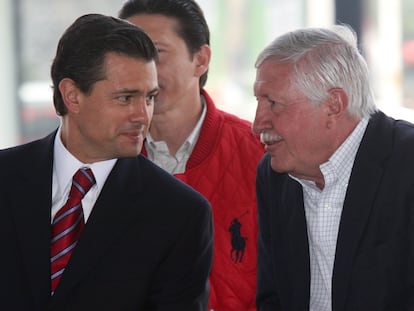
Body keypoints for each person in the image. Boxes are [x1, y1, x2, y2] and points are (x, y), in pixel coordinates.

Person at [0, 13, 213, 311]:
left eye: (149, 98)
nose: (142, 115)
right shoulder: (5, 178)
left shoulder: (180, 214)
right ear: (72, 96)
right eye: (126, 98)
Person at [252, 24, 414, 311]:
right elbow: (272, 297)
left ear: (333, 105)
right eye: (258, 101)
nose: (257, 124)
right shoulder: (274, 174)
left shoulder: (406, 162)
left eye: (273, 104)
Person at [118, 1, 264, 310]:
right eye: (127, 53)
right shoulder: (103, 158)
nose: (140, 69)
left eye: (156, 52)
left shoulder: (261, 154)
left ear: (201, 60)